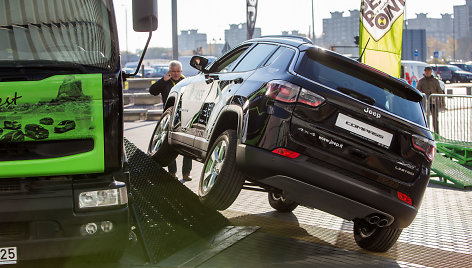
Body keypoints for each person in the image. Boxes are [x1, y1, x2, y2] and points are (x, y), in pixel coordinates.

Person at [149, 61, 193, 181]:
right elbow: (152, 91)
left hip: (185, 117)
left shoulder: (187, 82)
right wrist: (163, 80)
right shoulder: (165, 82)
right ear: (169, 71)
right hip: (169, 117)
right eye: (173, 71)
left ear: (181, 71)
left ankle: (186, 173)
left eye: (178, 71)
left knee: (187, 146)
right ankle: (172, 173)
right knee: (169, 145)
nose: (176, 74)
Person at [416, 66, 444, 133]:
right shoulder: (421, 81)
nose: (427, 72)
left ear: (431, 71)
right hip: (425, 103)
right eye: (426, 71)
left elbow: (440, 92)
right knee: (425, 119)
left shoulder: (435, 81)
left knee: (435, 119)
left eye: (429, 70)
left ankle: (437, 134)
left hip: (434, 103)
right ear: (424, 71)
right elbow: (417, 91)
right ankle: (426, 134)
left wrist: (443, 103)